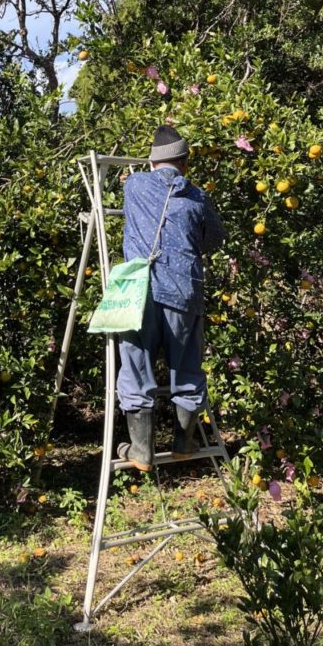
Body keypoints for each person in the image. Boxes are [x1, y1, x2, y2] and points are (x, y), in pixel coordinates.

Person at [117, 125, 225, 470]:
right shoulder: (198, 197)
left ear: (151, 162)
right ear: (185, 162)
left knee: (136, 363)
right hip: (183, 288)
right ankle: (183, 443)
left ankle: (142, 451)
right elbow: (214, 241)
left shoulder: (133, 186)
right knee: (187, 366)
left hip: (139, 292)